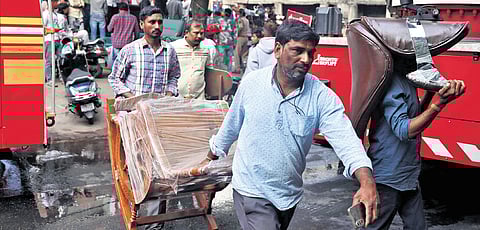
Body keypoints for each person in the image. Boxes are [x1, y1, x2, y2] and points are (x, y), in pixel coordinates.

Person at [204, 19, 379, 229]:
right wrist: (209, 159)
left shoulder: (321, 97)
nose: (306, 59)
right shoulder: (251, 84)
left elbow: (346, 140)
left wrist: (367, 181)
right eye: (297, 50)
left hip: (288, 195)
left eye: (311, 53)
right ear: (278, 49)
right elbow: (231, 126)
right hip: (252, 190)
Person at [365, 66, 466, 228]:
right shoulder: (392, 83)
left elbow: (413, 114)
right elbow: (404, 129)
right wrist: (438, 105)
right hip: (389, 176)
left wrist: (431, 92)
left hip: (408, 175)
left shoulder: (407, 78)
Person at [108, 6, 180, 98]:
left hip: (159, 108)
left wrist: (168, 96)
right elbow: (115, 78)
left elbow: (173, 78)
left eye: (160, 22)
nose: (157, 26)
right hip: (134, 109)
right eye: (152, 22)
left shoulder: (170, 51)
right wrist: (133, 99)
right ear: (142, 24)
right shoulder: (130, 50)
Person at [171, 19, 218, 99]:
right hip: (176, 99)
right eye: (196, 33)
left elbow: (209, 72)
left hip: (199, 100)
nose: (199, 36)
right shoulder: (174, 48)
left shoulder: (206, 50)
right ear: (186, 33)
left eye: (201, 33)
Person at [233, 8, 251, 73]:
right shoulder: (247, 20)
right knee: (242, 54)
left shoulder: (240, 20)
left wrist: (237, 34)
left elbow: (240, 27)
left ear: (240, 13)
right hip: (246, 37)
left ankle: (237, 68)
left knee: (236, 53)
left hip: (241, 37)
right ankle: (243, 67)